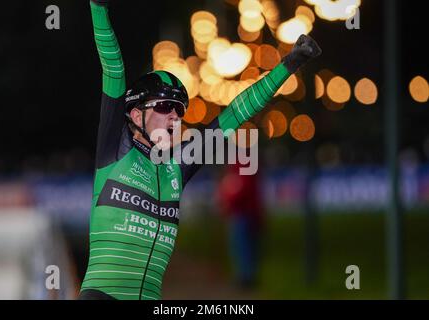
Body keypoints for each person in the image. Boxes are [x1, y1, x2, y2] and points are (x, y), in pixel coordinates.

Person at [79, 0, 321, 300]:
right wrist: (98, 7)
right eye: (165, 106)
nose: (175, 117)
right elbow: (113, 65)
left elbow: (235, 114)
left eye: (179, 110)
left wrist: (289, 64)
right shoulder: (115, 146)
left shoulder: (176, 167)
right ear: (136, 115)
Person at [217, 161, 264, 289]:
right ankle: (246, 276)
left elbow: (240, 187)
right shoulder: (242, 162)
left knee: (243, 246)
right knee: (244, 246)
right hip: (244, 212)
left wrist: (228, 199)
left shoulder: (242, 162)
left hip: (242, 212)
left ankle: (246, 278)